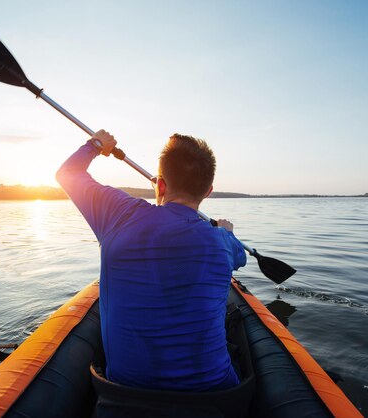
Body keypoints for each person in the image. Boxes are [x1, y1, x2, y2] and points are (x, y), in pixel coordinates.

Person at [56, 130, 246, 392]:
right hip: (216, 396)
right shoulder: (223, 242)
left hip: (126, 393)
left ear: (160, 185)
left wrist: (97, 145)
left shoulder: (119, 214)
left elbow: (67, 174)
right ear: (209, 191)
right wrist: (227, 231)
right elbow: (240, 258)